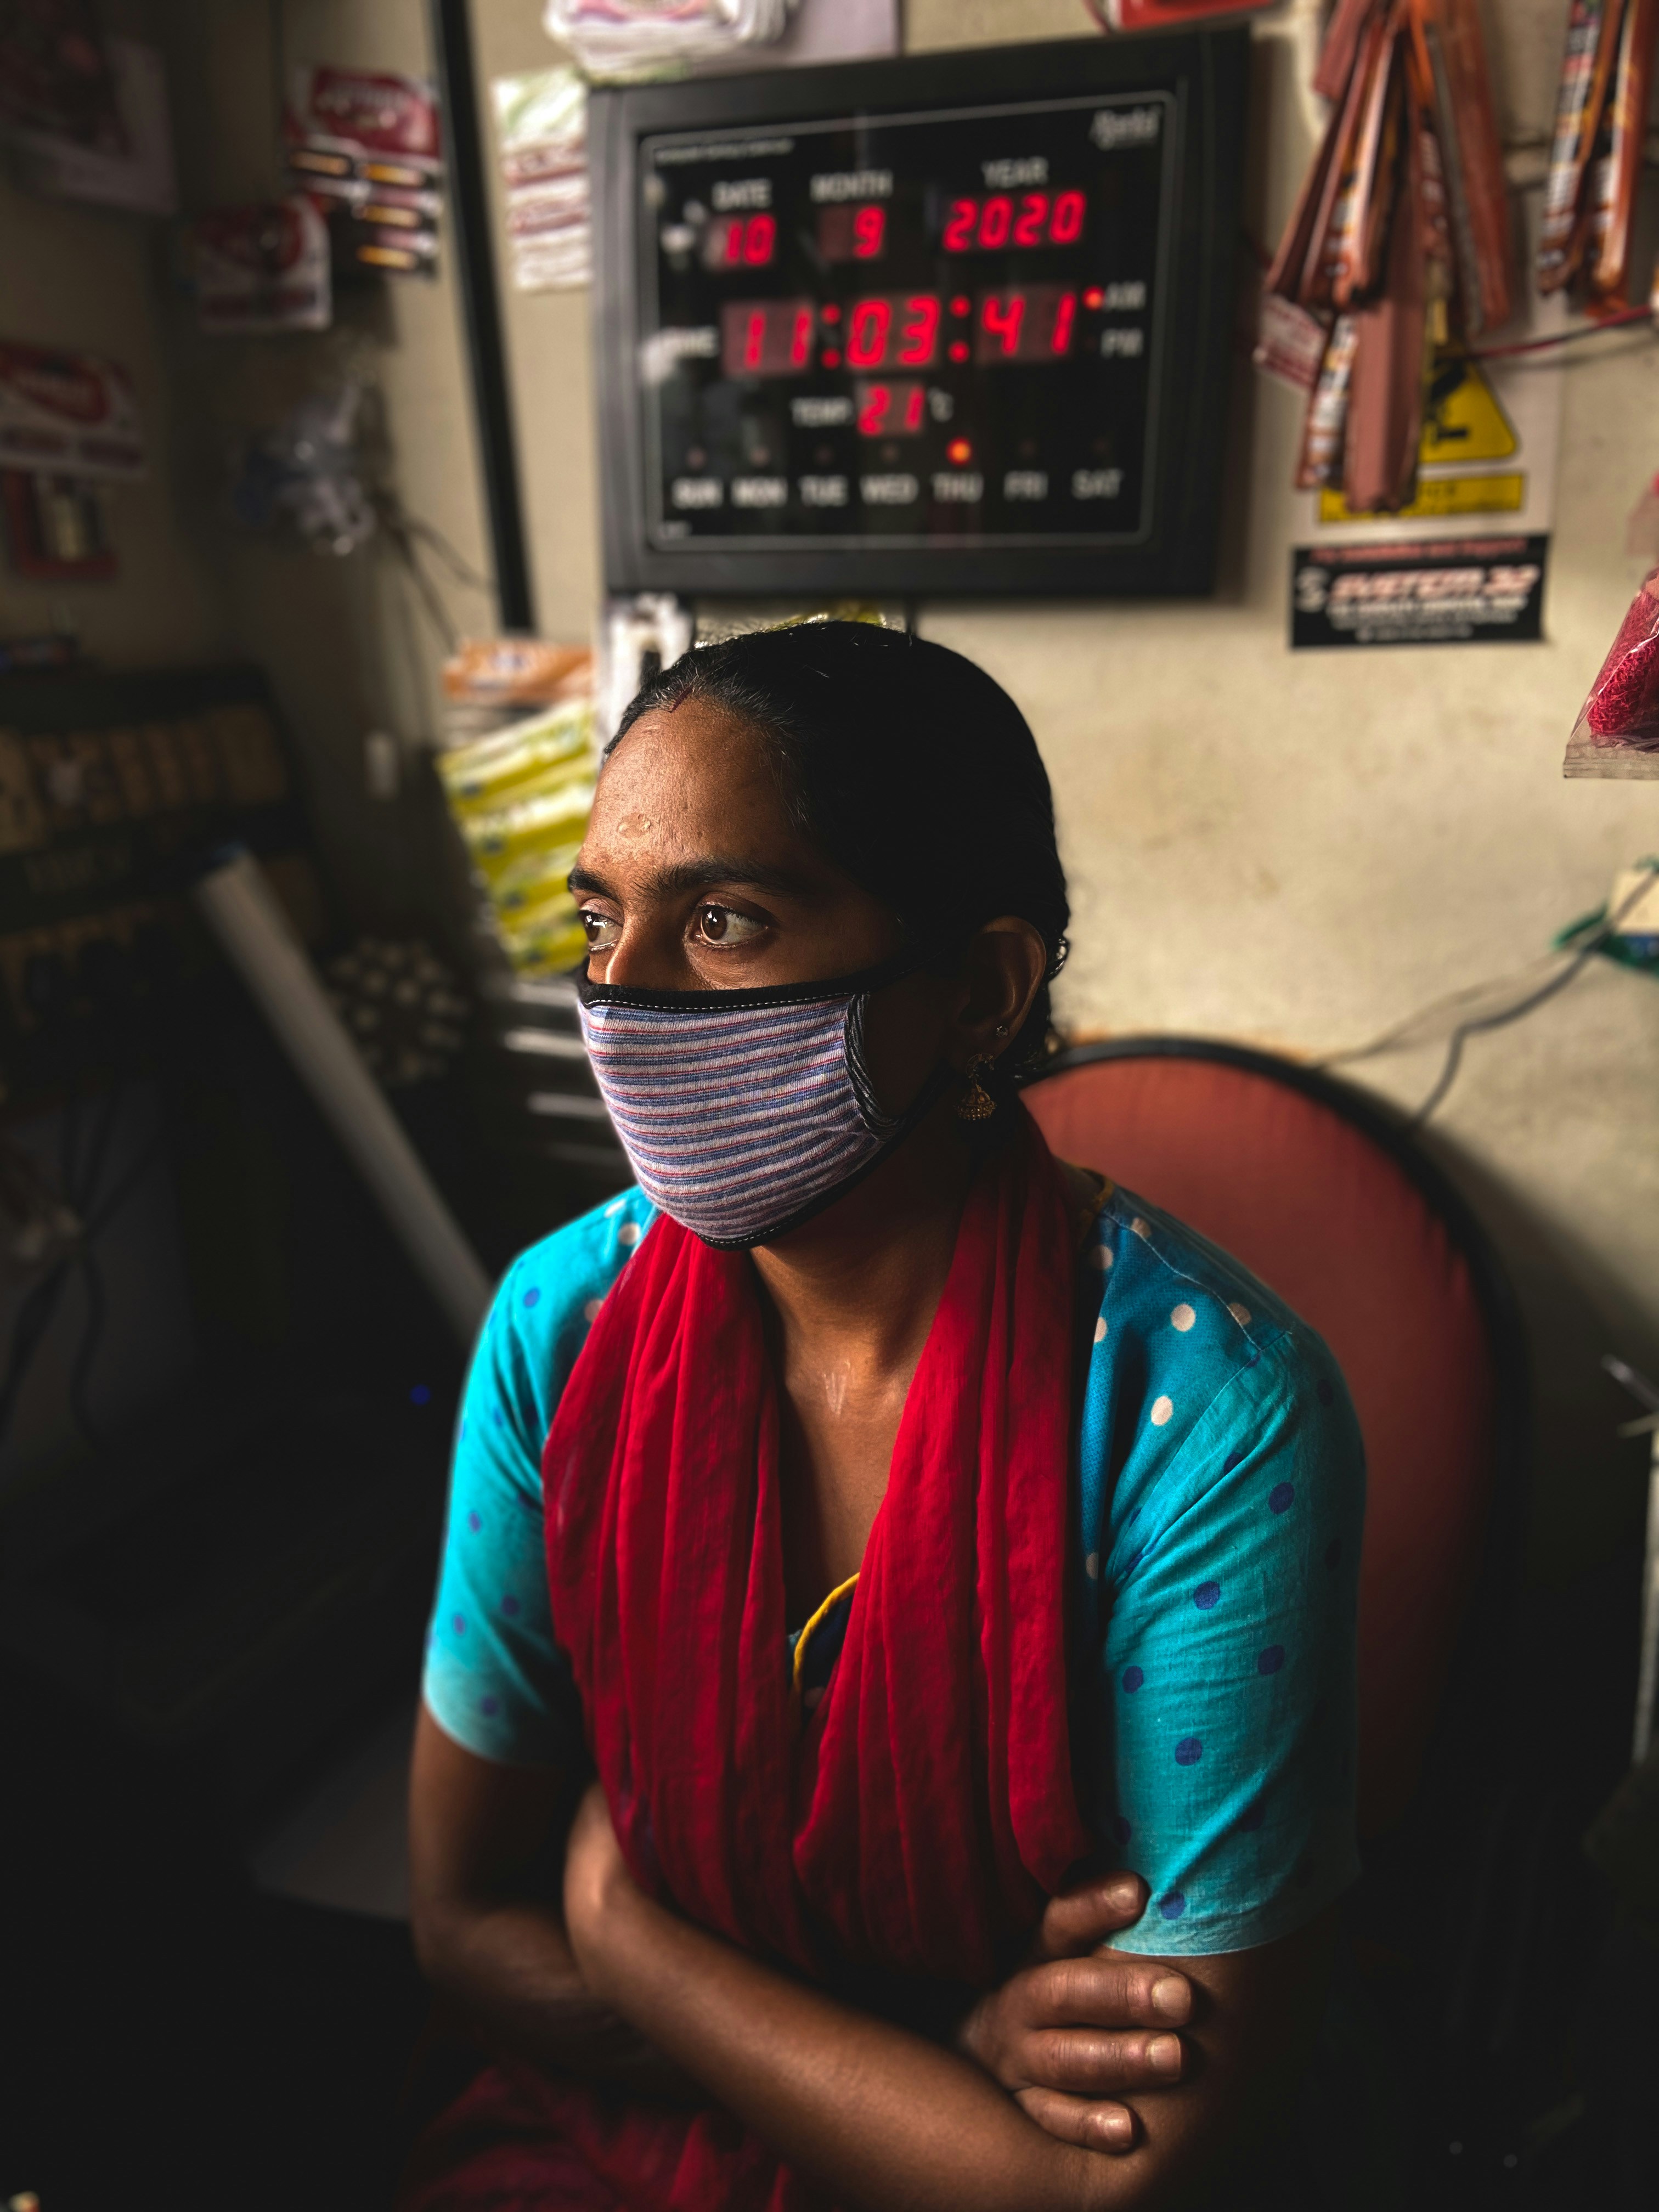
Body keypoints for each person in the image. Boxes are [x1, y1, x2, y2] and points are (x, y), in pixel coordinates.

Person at [404, 621, 1365, 2211]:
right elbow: (454, 1922)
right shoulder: (561, 1332)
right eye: (599, 919)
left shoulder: (1204, 1415)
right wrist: (926, 2056)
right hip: (597, 2139)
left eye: (722, 920)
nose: (619, 998)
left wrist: (623, 1921)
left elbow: (1119, 2183)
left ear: (981, 990)